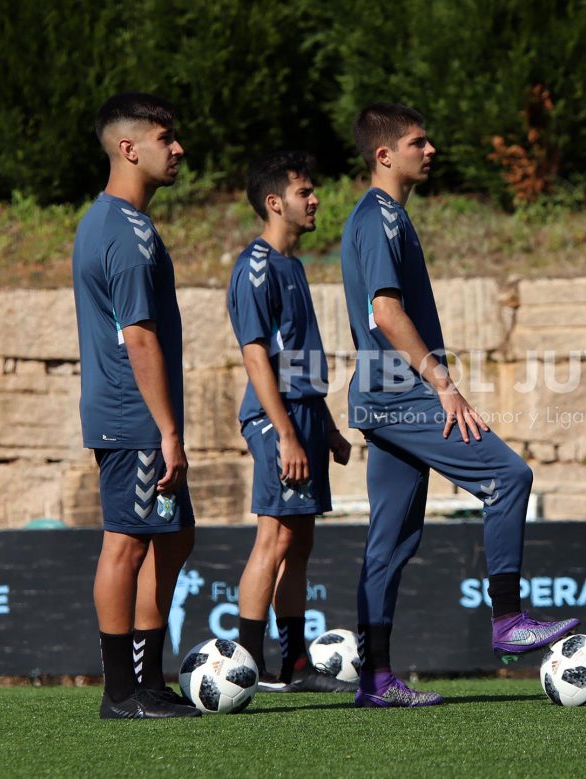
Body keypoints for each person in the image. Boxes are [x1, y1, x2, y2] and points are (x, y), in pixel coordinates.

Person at [339, 103, 578, 707]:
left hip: (384, 395)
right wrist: (442, 384)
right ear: (384, 155)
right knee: (507, 478)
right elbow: (386, 314)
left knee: (390, 542)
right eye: (419, 142)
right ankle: (508, 620)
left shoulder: (390, 217)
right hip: (400, 394)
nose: (431, 150)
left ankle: (375, 680)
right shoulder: (378, 219)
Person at [72, 92, 199, 718]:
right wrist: (168, 431)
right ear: (129, 148)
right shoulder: (120, 230)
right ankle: (121, 692)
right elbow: (139, 336)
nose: (177, 149)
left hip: (140, 415)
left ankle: (147, 681)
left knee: (174, 537)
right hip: (133, 415)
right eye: (164, 137)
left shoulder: (130, 225)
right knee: (126, 543)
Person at [227, 151, 356, 694]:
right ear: (275, 203)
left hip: (303, 418)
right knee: (274, 538)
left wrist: (322, 426)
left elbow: (297, 359)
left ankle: (295, 664)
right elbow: (255, 355)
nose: (315, 199)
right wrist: (284, 433)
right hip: (273, 421)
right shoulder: (254, 267)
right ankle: (245, 668)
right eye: (305, 192)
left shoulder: (293, 267)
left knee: (299, 542)